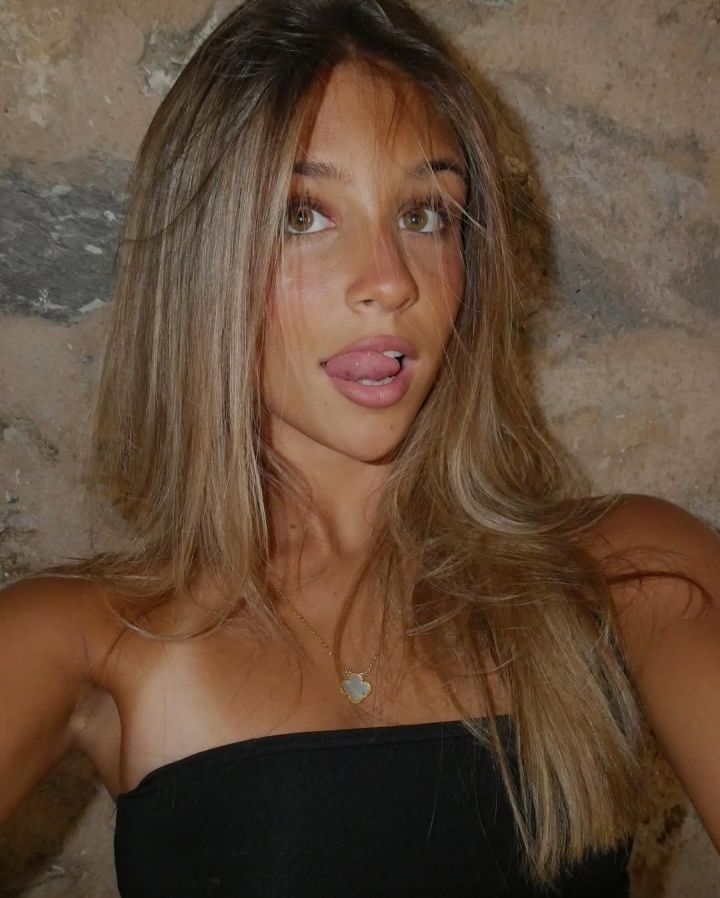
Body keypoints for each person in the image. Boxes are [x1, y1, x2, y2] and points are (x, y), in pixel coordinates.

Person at [1, 0, 719, 895]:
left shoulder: (635, 574)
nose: (390, 281)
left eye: (425, 214)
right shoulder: (86, 639)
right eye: (302, 215)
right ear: (201, 264)